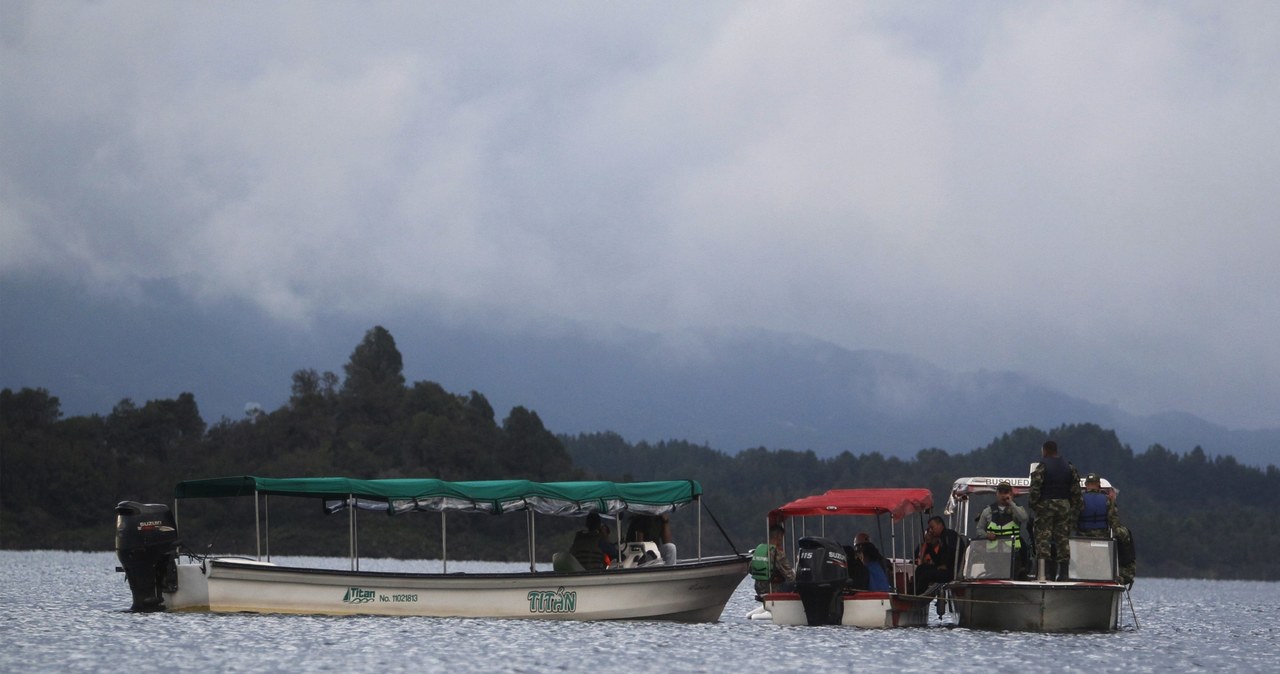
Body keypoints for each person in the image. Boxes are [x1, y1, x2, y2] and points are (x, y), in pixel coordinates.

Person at [1029, 440, 1083, 581]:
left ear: (1045, 451)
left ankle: (1044, 573)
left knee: (1043, 538)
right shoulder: (1069, 467)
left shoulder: (1042, 467)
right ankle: (1064, 574)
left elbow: (1035, 489)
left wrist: (1035, 505)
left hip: (1046, 505)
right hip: (1064, 506)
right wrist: (1073, 507)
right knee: (1063, 539)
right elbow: (1076, 491)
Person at [1077, 473, 1136, 585]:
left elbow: (1073, 520)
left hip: (1081, 540)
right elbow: (1114, 522)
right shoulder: (1107, 500)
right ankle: (1110, 576)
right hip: (1102, 541)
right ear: (1098, 485)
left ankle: (1075, 576)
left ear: (1086, 485)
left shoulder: (1079, 500)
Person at [975, 480, 1030, 577]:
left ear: (1011, 493)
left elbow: (1024, 518)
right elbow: (979, 529)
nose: (1003, 495)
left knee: (1013, 576)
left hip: (1012, 554)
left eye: (1006, 492)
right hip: (993, 555)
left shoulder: (1016, 508)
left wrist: (1011, 503)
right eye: (1001, 492)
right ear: (996, 493)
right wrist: (986, 535)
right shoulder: (987, 511)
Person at [914, 516, 962, 595]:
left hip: (951, 571)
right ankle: (913, 592)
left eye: (932, 527)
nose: (931, 531)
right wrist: (929, 544)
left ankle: (919, 595)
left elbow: (952, 550)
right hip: (944, 568)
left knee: (926, 575)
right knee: (920, 569)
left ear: (940, 525)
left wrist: (946, 564)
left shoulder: (949, 535)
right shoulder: (942, 539)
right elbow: (938, 560)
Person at [750, 525, 796, 598]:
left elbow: (750, 570)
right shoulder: (778, 553)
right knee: (796, 584)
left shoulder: (759, 550)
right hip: (773, 589)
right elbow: (791, 577)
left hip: (759, 589)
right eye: (782, 537)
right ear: (779, 536)